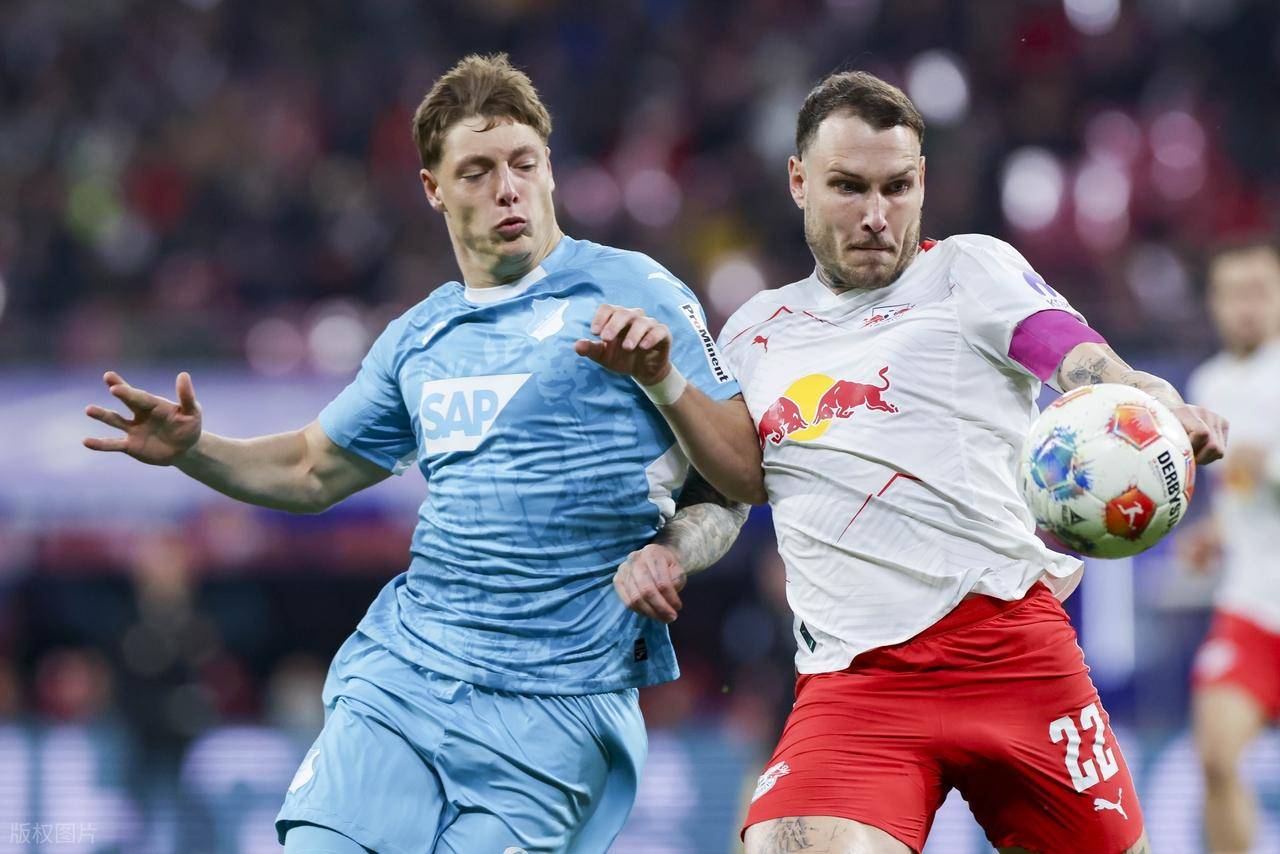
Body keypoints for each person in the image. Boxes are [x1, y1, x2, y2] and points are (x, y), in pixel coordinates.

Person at [82, 53, 760, 854]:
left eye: (524, 164)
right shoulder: (419, 336)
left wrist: (665, 400)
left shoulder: (636, 289)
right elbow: (310, 469)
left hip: (555, 702)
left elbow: (740, 478)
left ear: (549, 169)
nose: (507, 188)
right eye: (477, 171)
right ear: (434, 189)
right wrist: (196, 450)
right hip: (404, 677)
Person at [702, 70, 1228, 854]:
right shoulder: (751, 332)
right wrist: (666, 547)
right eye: (848, 187)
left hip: (1012, 652)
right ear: (799, 181)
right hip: (857, 684)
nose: (876, 214)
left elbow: (1077, 358)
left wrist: (1154, 399)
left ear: (922, 182)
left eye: (897, 187)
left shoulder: (967, 270)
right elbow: (727, 486)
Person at [1180, 240, 1280, 854]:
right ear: (1214, 303)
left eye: (1259, 291)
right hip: (1250, 606)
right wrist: (1213, 534)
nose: (1246, 306)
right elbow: (1237, 495)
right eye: (1233, 293)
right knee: (1216, 756)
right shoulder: (1208, 385)